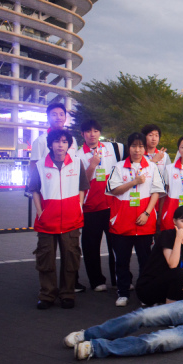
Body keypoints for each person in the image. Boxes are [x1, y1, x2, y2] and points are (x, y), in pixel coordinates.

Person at [27, 129, 89, 309]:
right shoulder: (40, 165)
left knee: (71, 258)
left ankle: (67, 294)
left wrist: (79, 207)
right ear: (50, 144)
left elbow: (82, 187)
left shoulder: (77, 163)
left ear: (68, 145)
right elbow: (34, 190)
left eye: (64, 141)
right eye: (56, 141)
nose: (60, 145)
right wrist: (40, 212)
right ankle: (47, 294)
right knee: (46, 259)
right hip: (47, 221)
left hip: (71, 220)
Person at [105, 132, 166, 307]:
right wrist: (134, 181)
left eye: (140, 146)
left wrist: (147, 213)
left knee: (145, 261)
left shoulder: (152, 167)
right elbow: (113, 190)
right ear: (129, 147)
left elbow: (157, 192)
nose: (137, 150)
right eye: (134, 146)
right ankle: (123, 292)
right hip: (122, 222)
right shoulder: (118, 167)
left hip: (144, 222)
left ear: (144, 148)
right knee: (122, 260)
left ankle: (144, 293)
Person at [74, 119, 121, 293]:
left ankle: (118, 279)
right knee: (91, 246)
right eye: (88, 131)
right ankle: (96, 281)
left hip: (111, 206)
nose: (92, 134)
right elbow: (80, 182)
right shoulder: (78, 155)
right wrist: (92, 166)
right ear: (83, 134)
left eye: (95, 131)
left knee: (116, 245)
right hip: (91, 208)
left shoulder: (112, 148)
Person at [136, 206, 183, 306]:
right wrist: (178, 239)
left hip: (167, 285)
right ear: (174, 221)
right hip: (149, 286)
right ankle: (169, 310)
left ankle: (163, 305)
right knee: (178, 273)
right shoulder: (167, 235)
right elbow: (173, 264)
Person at [29, 102, 77, 170]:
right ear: (48, 118)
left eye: (61, 114)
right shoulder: (40, 141)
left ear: (65, 118)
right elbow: (33, 166)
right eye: (54, 115)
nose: (58, 117)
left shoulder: (72, 140)